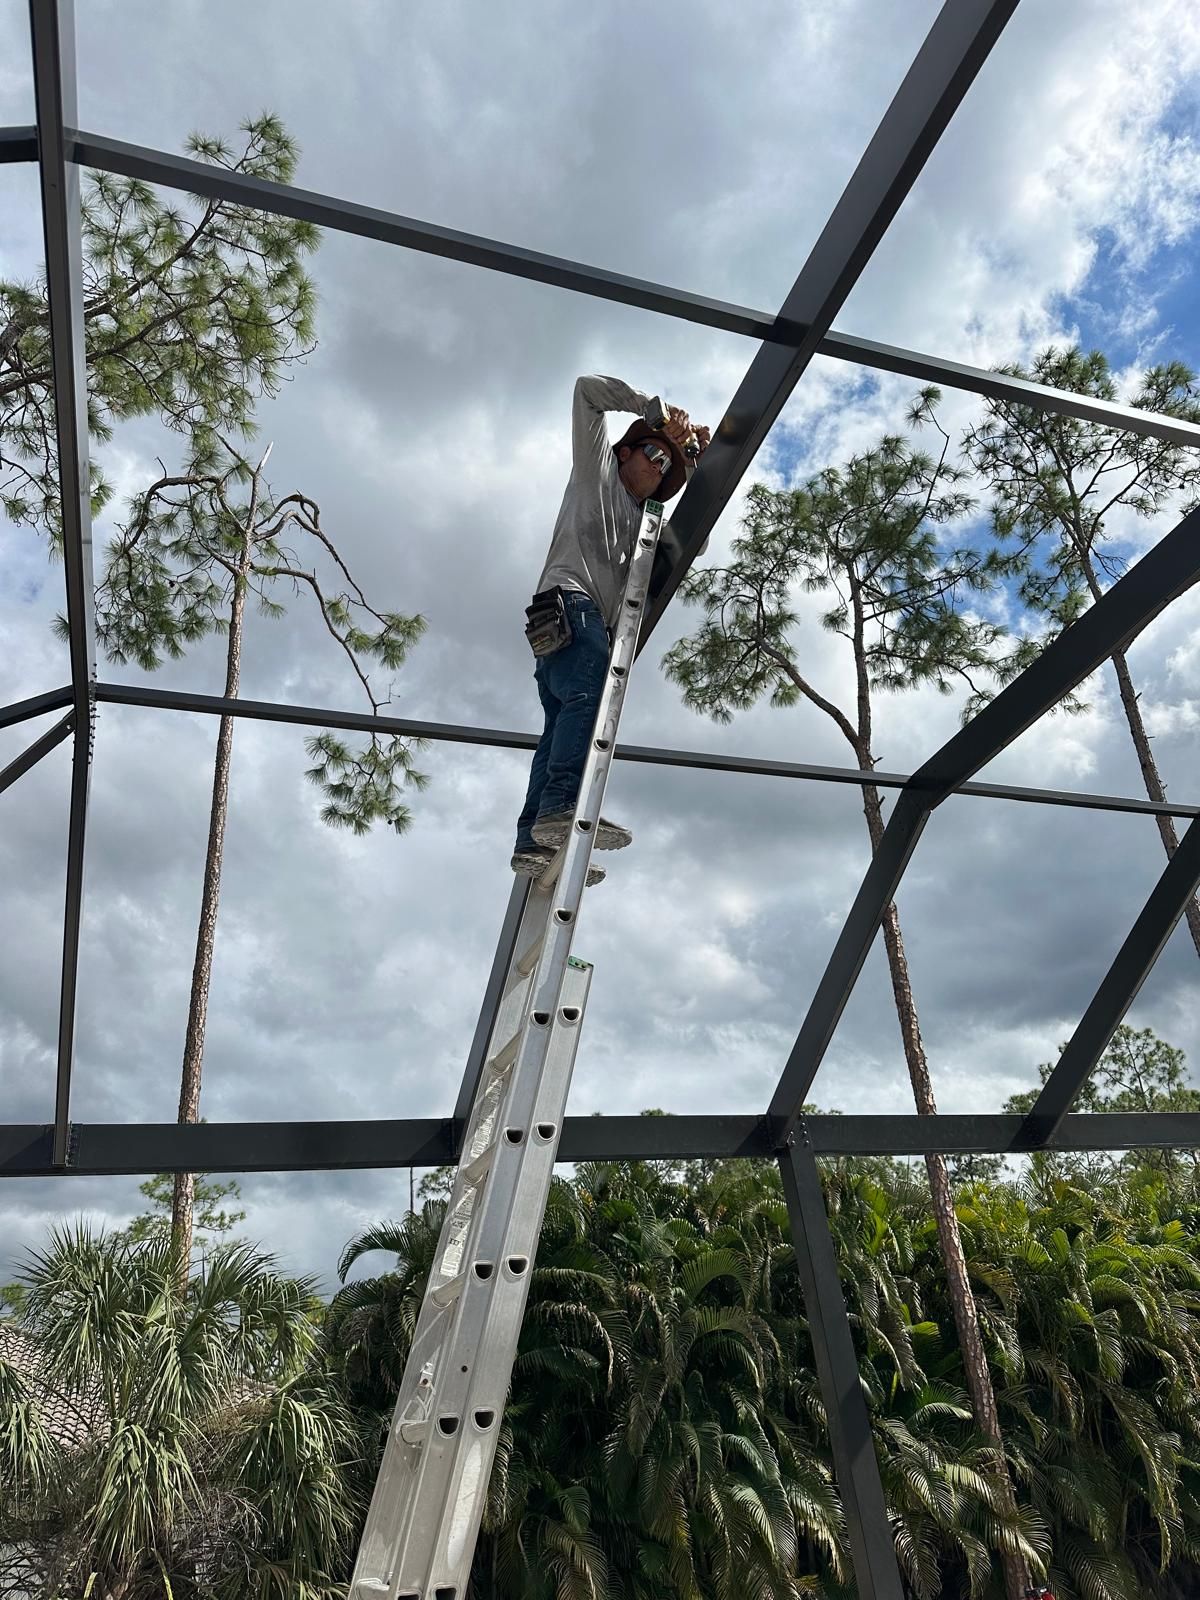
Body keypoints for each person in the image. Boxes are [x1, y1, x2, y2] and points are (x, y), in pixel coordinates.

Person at [512, 375, 710, 886]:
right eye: (653, 453)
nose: (659, 466)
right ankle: (562, 809)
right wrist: (653, 410)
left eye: (668, 465)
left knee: (560, 722)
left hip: (564, 628)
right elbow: (584, 390)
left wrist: (701, 462)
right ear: (625, 452)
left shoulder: (643, 523)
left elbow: (691, 545)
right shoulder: (595, 471)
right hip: (569, 603)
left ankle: (532, 840)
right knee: (588, 696)